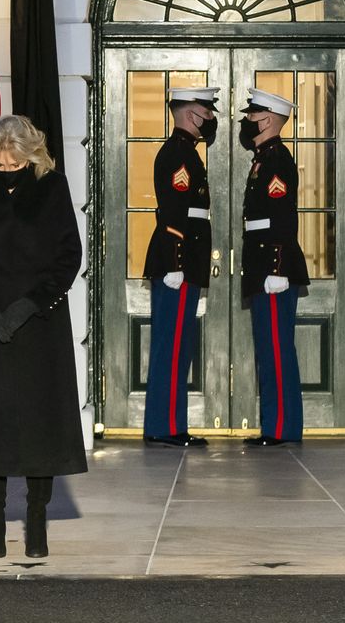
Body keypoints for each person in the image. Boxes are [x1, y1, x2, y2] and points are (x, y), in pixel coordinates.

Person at [0, 114, 88, 559]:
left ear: (31, 156)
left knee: (39, 427)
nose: (7, 170)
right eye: (1, 164)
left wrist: (29, 307)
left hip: (40, 324)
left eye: (15, 164)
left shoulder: (52, 187)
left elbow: (69, 254)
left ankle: (37, 521)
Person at [143, 86, 217, 446]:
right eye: (207, 113)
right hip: (179, 262)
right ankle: (166, 427)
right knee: (171, 347)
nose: (211, 120)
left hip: (186, 261)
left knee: (177, 345)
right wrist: (176, 262)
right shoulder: (178, 154)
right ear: (191, 115)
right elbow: (173, 212)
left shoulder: (186, 152)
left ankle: (168, 424)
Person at [237, 88, 309, 446]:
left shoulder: (277, 159)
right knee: (268, 349)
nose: (246, 122)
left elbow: (282, 218)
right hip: (263, 265)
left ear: (266, 119)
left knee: (277, 350)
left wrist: (278, 269)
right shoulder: (263, 158)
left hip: (273, 267)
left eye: (251, 115)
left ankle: (283, 430)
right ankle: (274, 426)